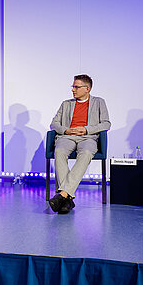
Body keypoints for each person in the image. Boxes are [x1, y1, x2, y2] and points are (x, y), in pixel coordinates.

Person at [48, 74, 111, 214]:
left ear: (87, 88)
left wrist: (86, 129)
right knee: (59, 152)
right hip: (67, 136)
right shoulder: (66, 104)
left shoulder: (99, 102)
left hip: (88, 137)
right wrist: (66, 130)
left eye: (76, 87)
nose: (73, 90)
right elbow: (54, 124)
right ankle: (67, 198)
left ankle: (63, 196)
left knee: (87, 153)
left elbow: (106, 123)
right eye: (73, 86)